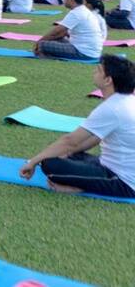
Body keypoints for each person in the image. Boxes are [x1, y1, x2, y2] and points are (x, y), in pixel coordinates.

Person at [19, 54, 135, 199]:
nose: (94, 71)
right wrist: (68, 152)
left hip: (124, 182)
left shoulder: (113, 108)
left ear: (108, 80)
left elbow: (70, 141)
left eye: (98, 70)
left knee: (49, 164)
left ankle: (78, 188)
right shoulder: (126, 100)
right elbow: (94, 139)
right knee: (64, 153)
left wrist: (33, 161)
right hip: (112, 166)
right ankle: (81, 181)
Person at [33, 0, 102, 61]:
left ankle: (46, 54)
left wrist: (38, 42)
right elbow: (61, 34)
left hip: (83, 52)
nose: (63, 0)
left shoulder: (76, 13)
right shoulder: (84, 10)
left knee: (42, 45)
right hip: (91, 52)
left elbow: (56, 31)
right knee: (56, 39)